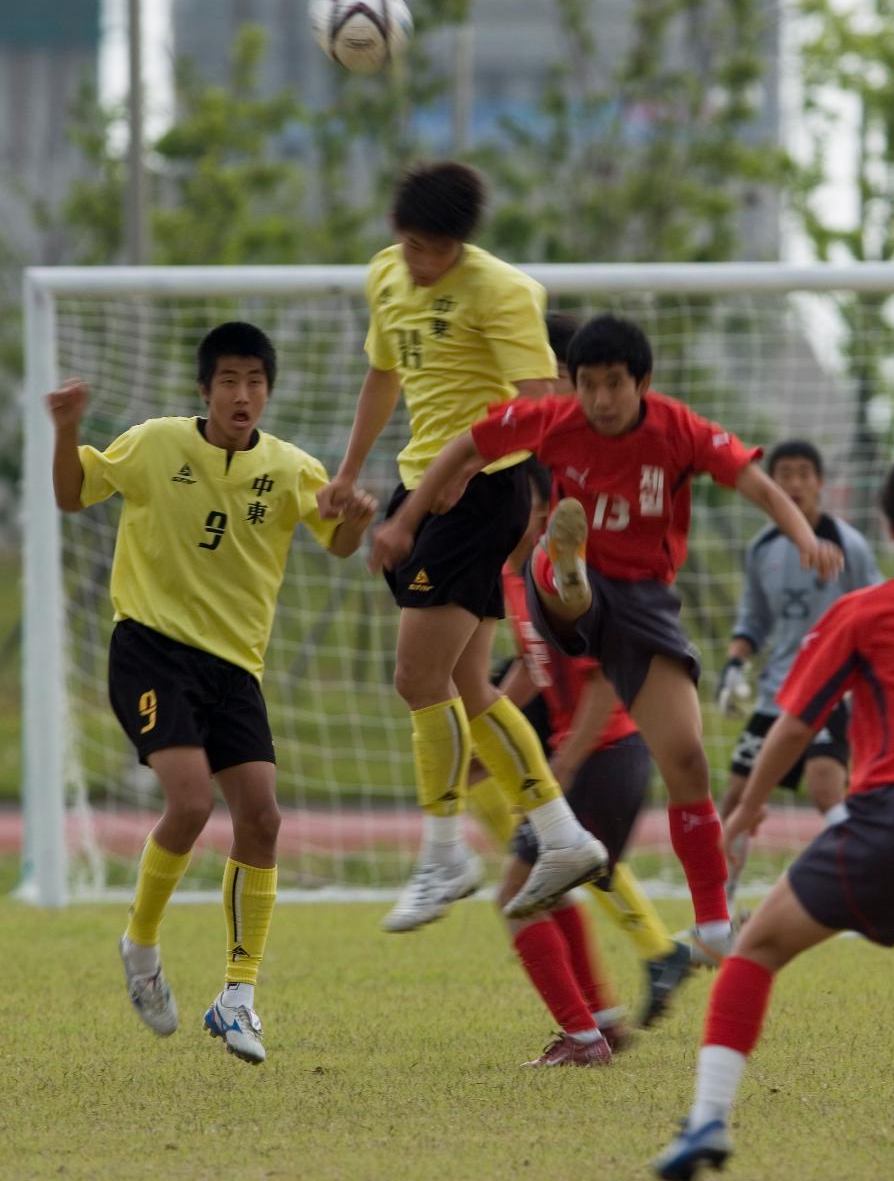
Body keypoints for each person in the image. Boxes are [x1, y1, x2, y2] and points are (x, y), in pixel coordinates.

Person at [371, 315, 842, 969]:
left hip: (645, 600)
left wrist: (804, 537)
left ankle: (711, 924)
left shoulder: (679, 429)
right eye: (587, 384)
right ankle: (570, 573)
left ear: (642, 383)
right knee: (561, 577)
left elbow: (755, 483)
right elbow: (464, 447)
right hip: (565, 585)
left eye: (613, 385)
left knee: (686, 760)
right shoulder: (555, 419)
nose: (599, 399)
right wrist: (407, 517)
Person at [653, 448, 894, 1180]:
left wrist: (748, 807)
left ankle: (708, 1121)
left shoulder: (863, 608)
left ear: (891, 531)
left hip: (888, 822)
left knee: (754, 951)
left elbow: (792, 723)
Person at [46, 322, 376, 1065]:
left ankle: (237, 996)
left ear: (269, 390)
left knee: (261, 818)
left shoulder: (292, 470)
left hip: (234, 669)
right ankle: (140, 947)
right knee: (191, 803)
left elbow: (339, 541)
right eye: (228, 379)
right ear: (205, 389)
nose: (242, 394)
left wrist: (355, 520)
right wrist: (66, 431)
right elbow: (72, 495)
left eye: (255, 380)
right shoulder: (156, 444)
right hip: (151, 649)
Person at [316, 161, 604, 934]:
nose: (419, 261)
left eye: (435, 251)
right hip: (422, 486)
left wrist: (464, 466)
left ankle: (444, 854)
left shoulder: (503, 291)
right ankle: (563, 835)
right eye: (410, 245)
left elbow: (541, 409)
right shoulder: (386, 276)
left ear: (463, 246)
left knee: (417, 675)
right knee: (472, 690)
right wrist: (349, 475)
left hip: (484, 491)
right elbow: (383, 377)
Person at [467, 315, 693, 1031]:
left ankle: (586, 1028)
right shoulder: (515, 579)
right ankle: (602, 1012)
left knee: (520, 891)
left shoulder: (566, 569)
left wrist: (555, 770)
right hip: (597, 755)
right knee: (549, 884)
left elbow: (597, 683)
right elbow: (538, 671)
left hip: (605, 753)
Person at [716, 439, 881, 897]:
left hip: (831, 691)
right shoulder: (761, 549)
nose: (792, 483)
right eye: (783, 473)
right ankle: (720, 905)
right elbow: (753, 620)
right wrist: (734, 665)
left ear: (820, 483)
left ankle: (857, 895)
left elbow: (877, 611)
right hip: (776, 692)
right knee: (735, 796)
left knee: (825, 787)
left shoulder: (850, 545)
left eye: (803, 473)